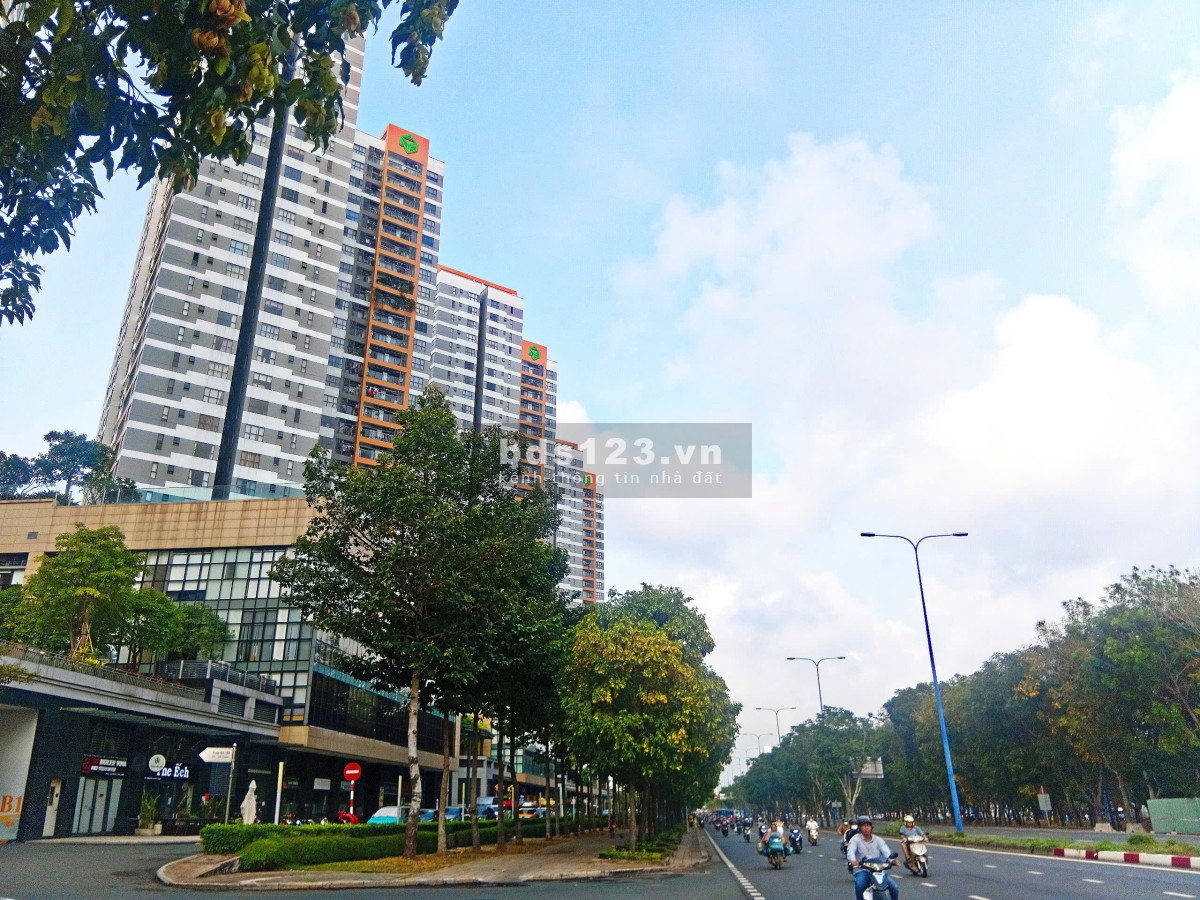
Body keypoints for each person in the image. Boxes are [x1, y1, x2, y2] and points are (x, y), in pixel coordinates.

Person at [846, 816, 899, 900]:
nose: (866, 828)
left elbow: (886, 852)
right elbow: (851, 851)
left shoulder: (878, 840)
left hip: (878, 870)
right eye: (864, 825)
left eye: (868, 825)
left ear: (871, 827)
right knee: (859, 885)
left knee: (894, 887)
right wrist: (853, 860)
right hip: (862, 870)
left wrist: (892, 860)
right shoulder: (855, 839)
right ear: (859, 828)